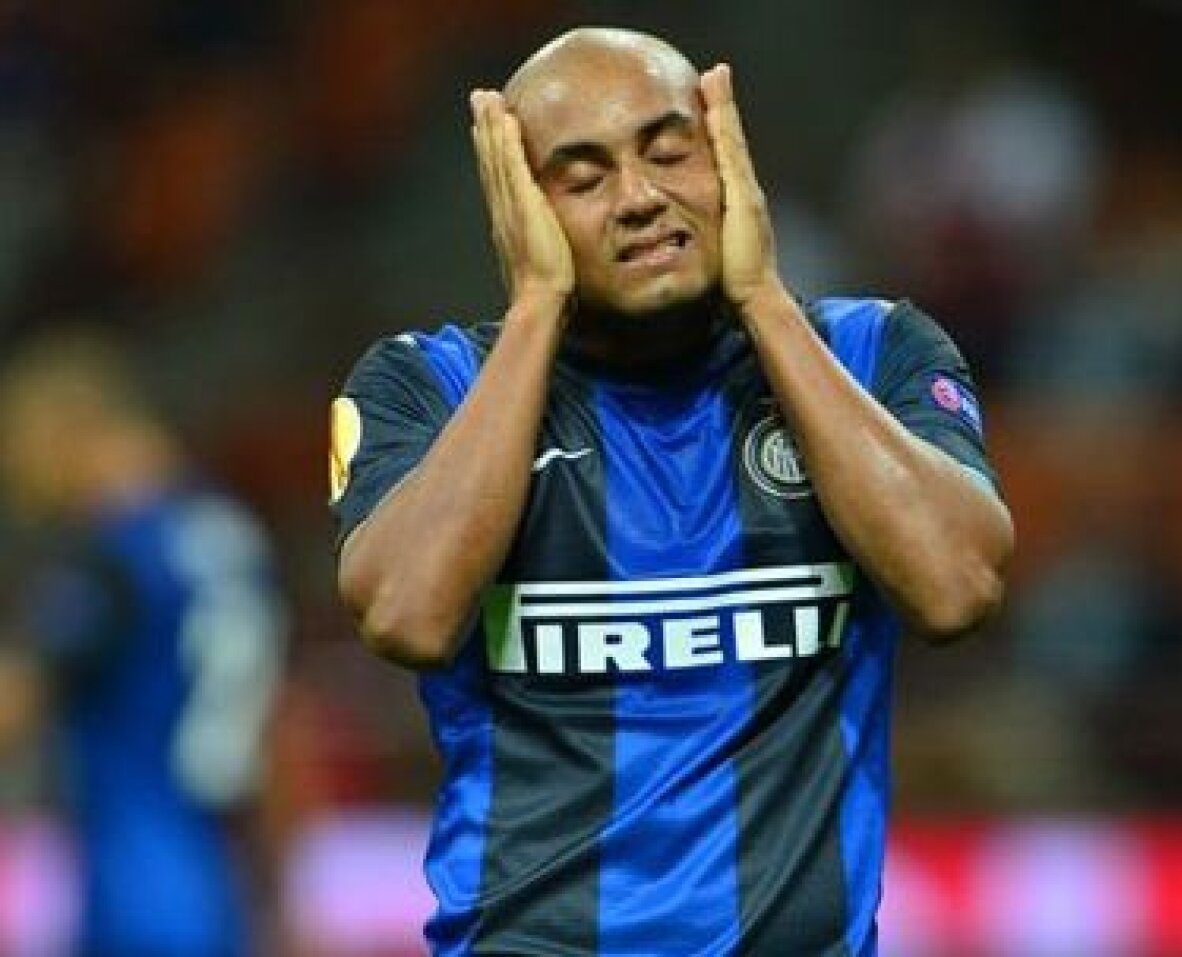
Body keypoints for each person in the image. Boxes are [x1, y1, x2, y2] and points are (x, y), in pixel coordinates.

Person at [330, 26, 1013, 956]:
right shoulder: (428, 386)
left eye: (669, 151)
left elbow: (955, 586)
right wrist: (535, 306)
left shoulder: (872, 353)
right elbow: (406, 614)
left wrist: (764, 296)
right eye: (583, 178)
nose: (640, 198)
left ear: (729, 157)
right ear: (518, 207)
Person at [0, 330, 285, 957]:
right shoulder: (227, 531)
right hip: (222, 881)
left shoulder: (111, 555)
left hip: (138, 881)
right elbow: (278, 725)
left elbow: (15, 707)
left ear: (66, 434)